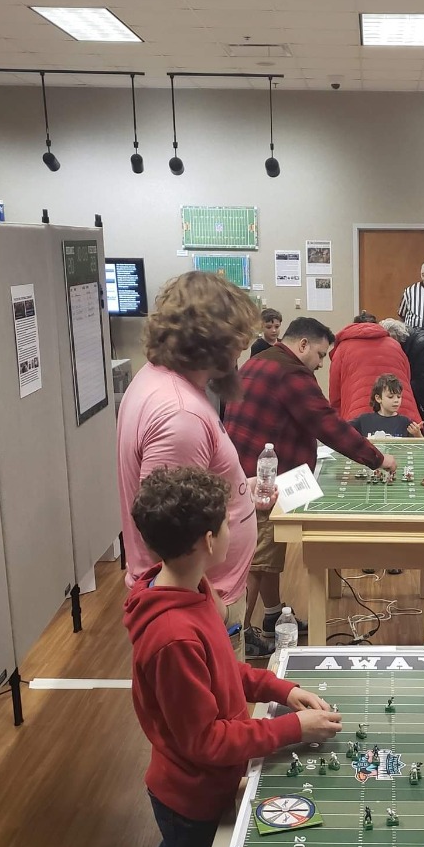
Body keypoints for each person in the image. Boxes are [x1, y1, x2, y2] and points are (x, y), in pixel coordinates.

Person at [124, 465, 341, 847]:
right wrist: (291, 730)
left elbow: (227, 669)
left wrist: (282, 689)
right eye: (227, 522)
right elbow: (205, 742)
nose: (233, 529)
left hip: (211, 786)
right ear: (207, 539)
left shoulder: (192, 589)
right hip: (189, 802)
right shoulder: (172, 634)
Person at [116, 271, 269, 660]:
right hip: (200, 606)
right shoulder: (179, 414)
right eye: (237, 341)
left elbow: (186, 494)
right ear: (213, 341)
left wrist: (237, 491)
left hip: (203, 597)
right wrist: (210, 606)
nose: (240, 352)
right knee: (216, 717)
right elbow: (168, 533)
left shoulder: (161, 382)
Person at [223, 317, 398, 645]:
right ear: (302, 345)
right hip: (261, 482)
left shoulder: (257, 361)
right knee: (255, 561)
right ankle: (241, 635)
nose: (320, 363)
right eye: (319, 355)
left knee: (269, 556)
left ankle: (273, 612)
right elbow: (327, 424)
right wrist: (378, 458)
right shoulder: (292, 374)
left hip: (242, 473)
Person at [328, 317, 421, 423]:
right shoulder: (394, 344)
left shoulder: (342, 348)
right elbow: (407, 377)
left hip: (358, 416)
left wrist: (337, 422)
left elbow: (335, 393)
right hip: (401, 413)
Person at [350, 374, 424, 438]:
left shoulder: (406, 423)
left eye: (399, 397)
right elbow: (341, 432)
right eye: (390, 397)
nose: (396, 400)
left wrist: (418, 434)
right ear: (378, 398)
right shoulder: (363, 420)